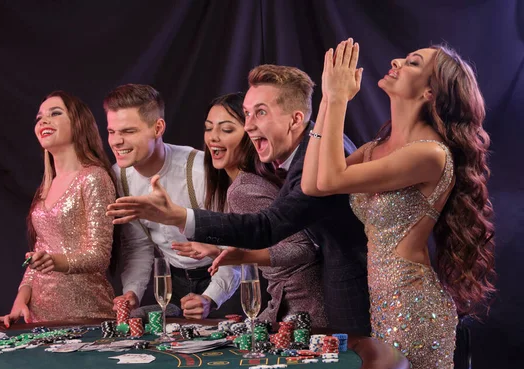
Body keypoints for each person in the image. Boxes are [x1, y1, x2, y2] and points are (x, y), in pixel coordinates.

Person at [106, 66, 371, 335]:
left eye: (260, 113)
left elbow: (270, 228)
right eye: (246, 114)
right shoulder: (294, 156)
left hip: (334, 291)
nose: (249, 125)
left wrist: (178, 216)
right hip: (303, 293)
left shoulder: (266, 176)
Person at [301, 39, 496, 369]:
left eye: (413, 63)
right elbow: (313, 184)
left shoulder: (430, 154)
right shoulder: (379, 148)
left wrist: (341, 99)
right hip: (384, 303)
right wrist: (328, 101)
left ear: (429, 93)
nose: (397, 61)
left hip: (414, 308)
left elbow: (330, 178)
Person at [171, 93, 326, 327]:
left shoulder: (244, 188)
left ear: (249, 135)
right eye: (209, 128)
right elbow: (270, 241)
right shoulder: (244, 182)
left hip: (302, 306)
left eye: (226, 129)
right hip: (287, 301)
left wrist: (244, 256)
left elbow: (304, 249)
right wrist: (219, 252)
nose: (213, 138)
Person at [104, 84, 240, 319]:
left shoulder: (201, 170)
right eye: (111, 131)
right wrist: (132, 292)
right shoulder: (118, 177)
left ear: (158, 128)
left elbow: (235, 247)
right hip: (173, 284)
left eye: (128, 131)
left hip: (226, 285)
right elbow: (139, 246)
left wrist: (210, 297)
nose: (116, 141)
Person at [0, 91, 116, 327]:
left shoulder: (94, 177)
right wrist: (20, 301)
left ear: (78, 123)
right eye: (39, 118)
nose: (43, 121)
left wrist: (55, 261)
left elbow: (99, 256)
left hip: (86, 317)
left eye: (55, 114)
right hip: (40, 320)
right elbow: (40, 252)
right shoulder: (47, 186)